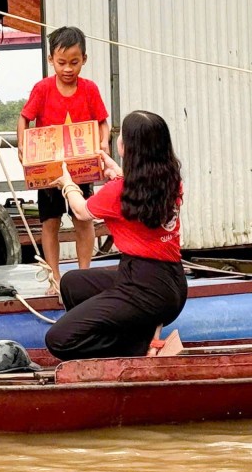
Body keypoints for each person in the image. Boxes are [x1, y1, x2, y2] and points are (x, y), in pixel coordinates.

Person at [44, 110, 187, 360]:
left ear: (127, 148)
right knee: (72, 283)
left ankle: (137, 345)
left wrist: (67, 183)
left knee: (58, 340)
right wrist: (118, 172)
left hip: (145, 287)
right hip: (170, 282)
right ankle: (131, 329)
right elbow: (138, 187)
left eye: (121, 137)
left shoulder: (118, 192)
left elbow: (81, 210)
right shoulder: (170, 180)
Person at [17, 26, 110, 291]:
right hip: (50, 169)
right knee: (50, 221)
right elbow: (24, 118)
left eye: (74, 62)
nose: (68, 69)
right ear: (50, 61)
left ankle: (84, 276)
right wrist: (23, 144)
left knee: (83, 218)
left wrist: (103, 142)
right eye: (61, 63)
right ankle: (54, 278)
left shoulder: (89, 89)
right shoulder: (43, 89)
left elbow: (102, 122)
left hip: (80, 168)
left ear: (84, 60)